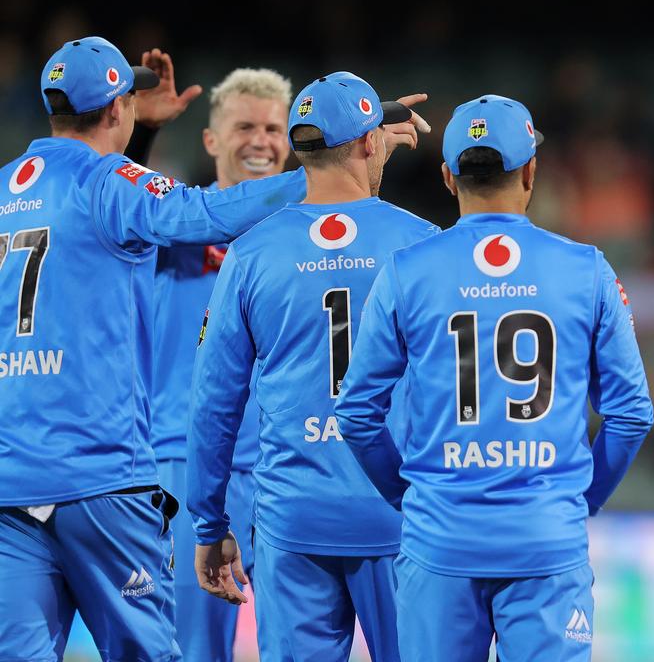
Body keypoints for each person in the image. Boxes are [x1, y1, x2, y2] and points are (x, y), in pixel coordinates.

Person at [0, 36, 306, 661]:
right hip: (105, 474)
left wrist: (135, 146)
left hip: (12, 481)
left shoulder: (7, 187)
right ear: (119, 109)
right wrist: (327, 172)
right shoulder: (110, 185)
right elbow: (200, 215)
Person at [335, 94, 654, 661]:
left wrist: (410, 498)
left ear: (447, 177)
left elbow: (357, 414)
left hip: (439, 541)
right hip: (545, 541)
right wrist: (580, 502)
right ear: (531, 170)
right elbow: (631, 415)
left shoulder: (406, 271)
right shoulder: (586, 269)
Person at [185, 71, 436, 662]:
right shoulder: (424, 245)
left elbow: (214, 402)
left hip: (292, 521)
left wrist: (208, 521)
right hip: (401, 517)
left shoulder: (249, 252)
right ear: (373, 143)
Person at [144, 67, 293, 660]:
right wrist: (140, 139)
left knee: (301, 645)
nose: (260, 140)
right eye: (244, 127)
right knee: (192, 649)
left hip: (288, 467)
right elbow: (124, 195)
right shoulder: (172, 230)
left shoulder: (313, 239)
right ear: (211, 140)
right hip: (184, 466)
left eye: (273, 128)